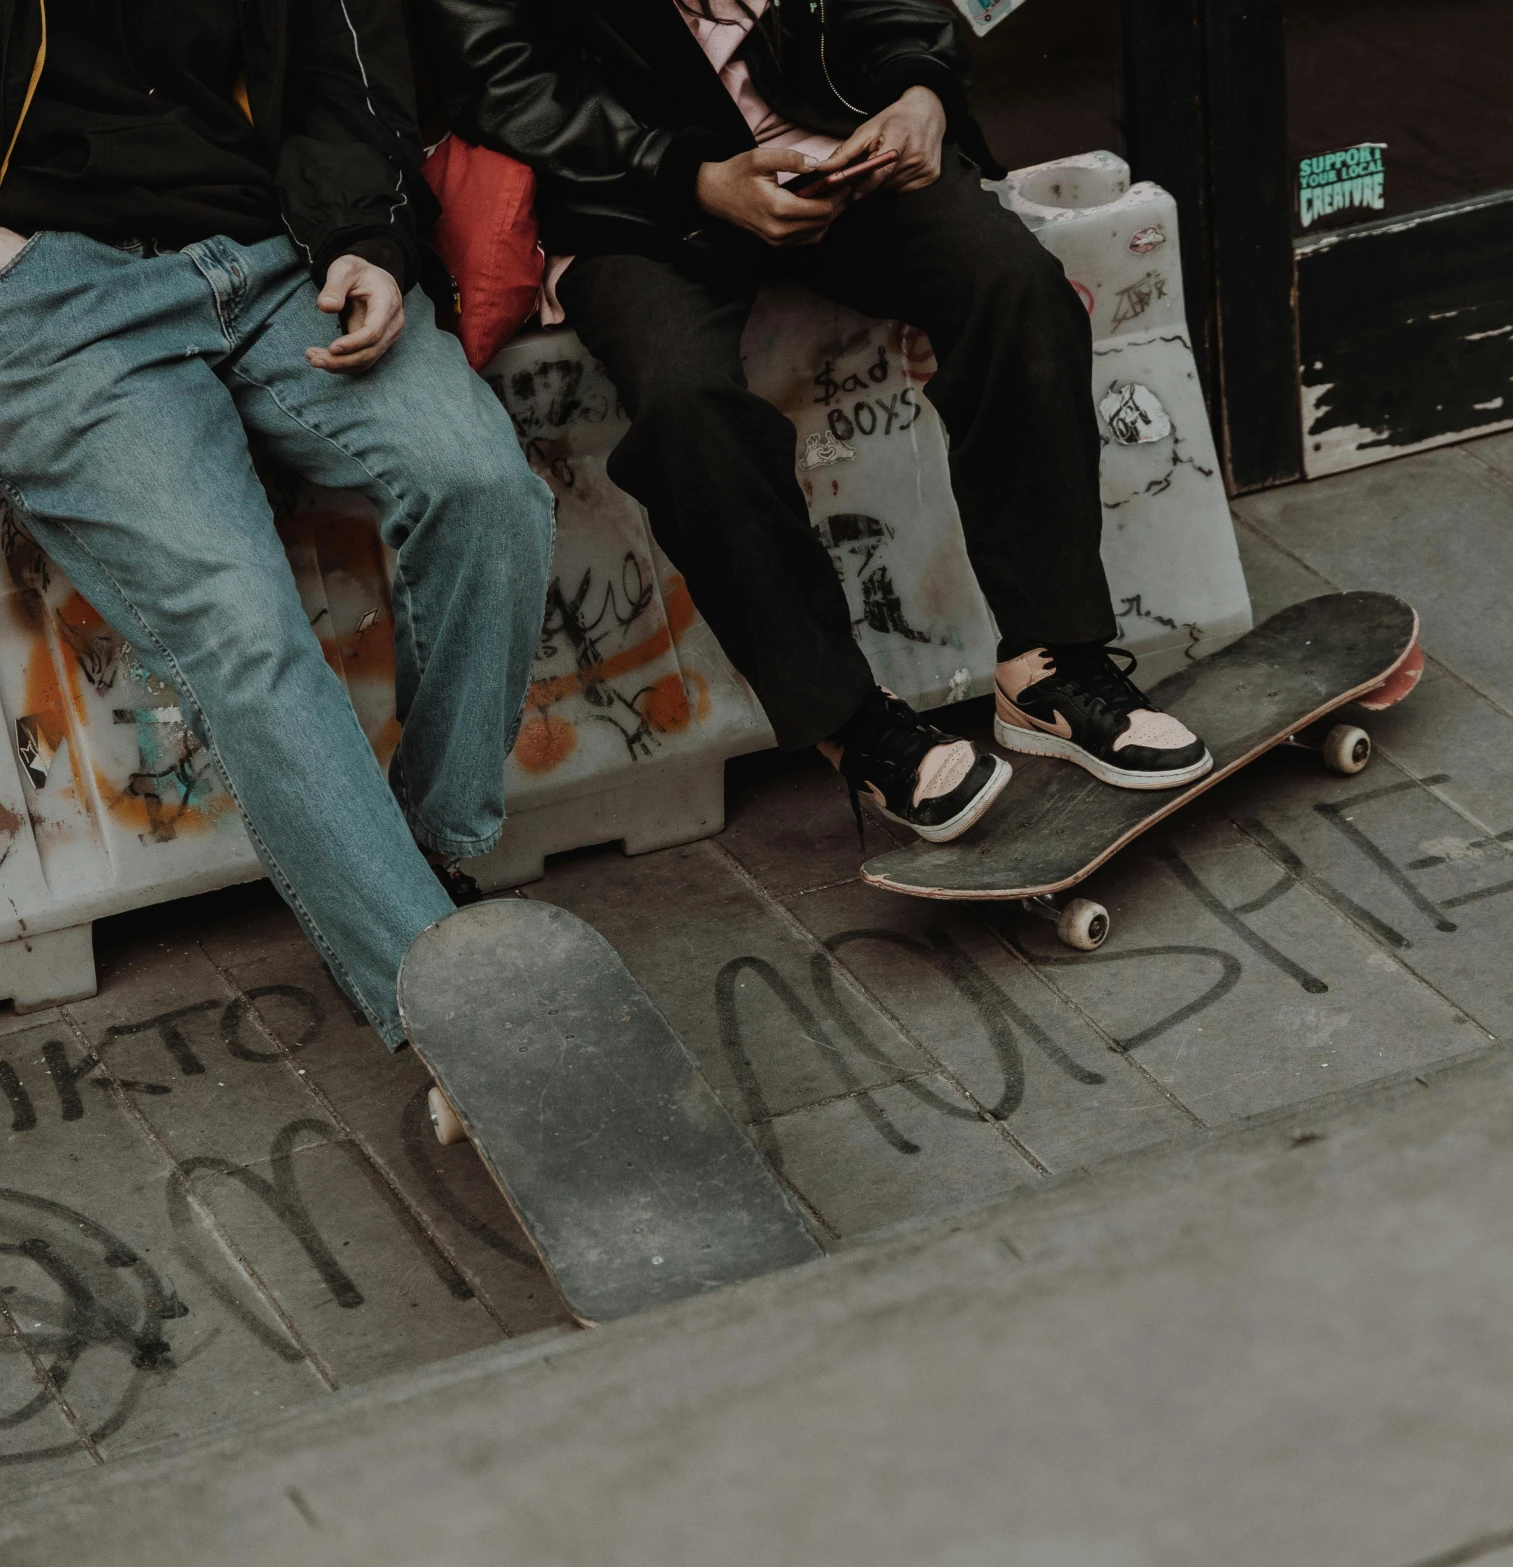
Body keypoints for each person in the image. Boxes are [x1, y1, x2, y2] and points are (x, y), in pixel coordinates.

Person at [419, 0, 1212, 845]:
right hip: (639, 201)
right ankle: (854, 724)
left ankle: (1052, 665)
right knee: (687, 407)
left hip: (834, 139)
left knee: (1013, 285)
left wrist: (920, 94)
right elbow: (498, 77)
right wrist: (690, 174)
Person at [0, 0, 555, 1045]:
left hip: (272, 252)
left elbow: (350, 76)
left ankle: (422, 848)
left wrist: (371, 243)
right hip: (55, 297)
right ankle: (448, 1008)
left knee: (483, 488)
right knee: (242, 628)